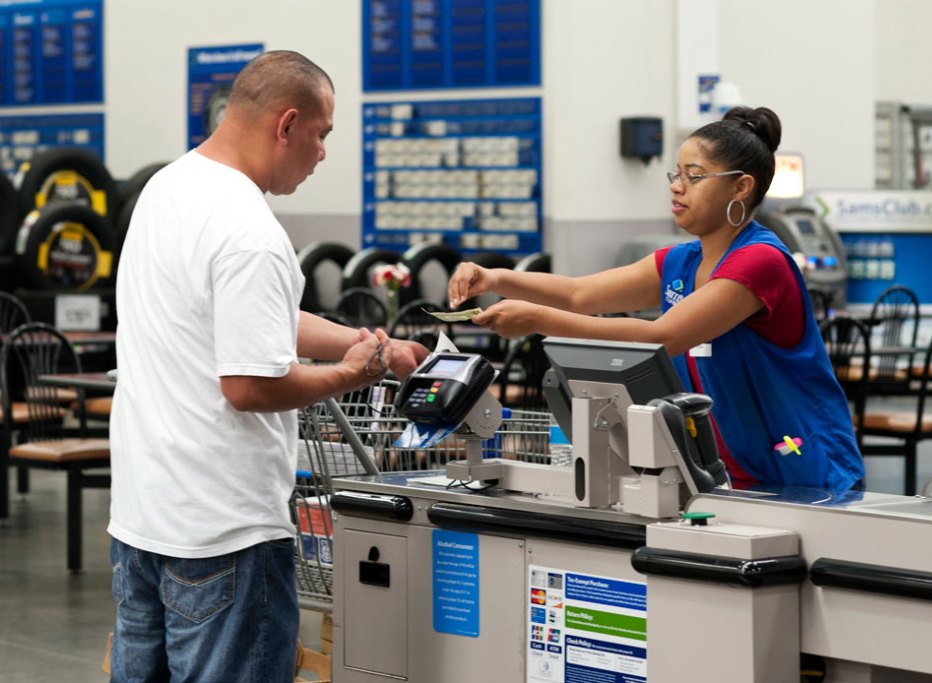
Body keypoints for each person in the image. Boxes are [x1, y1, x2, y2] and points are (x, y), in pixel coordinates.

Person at [108, 50, 428, 681]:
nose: (323, 153)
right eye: (322, 134)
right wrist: (353, 375)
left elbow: (249, 320)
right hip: (225, 535)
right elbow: (250, 384)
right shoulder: (249, 230)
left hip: (144, 519)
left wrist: (367, 347)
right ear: (286, 125)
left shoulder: (166, 188)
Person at [448, 106, 863, 492]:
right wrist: (495, 277)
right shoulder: (681, 261)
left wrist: (539, 320)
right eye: (675, 174)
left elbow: (659, 339)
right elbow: (579, 293)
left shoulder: (760, 262)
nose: (678, 187)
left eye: (695, 176)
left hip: (806, 472)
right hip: (727, 472)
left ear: (741, 187)